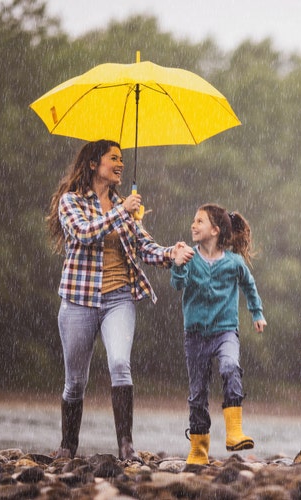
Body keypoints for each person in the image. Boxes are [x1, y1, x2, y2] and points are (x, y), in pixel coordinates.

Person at [46, 139, 194, 462]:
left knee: (120, 364)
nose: (120, 164)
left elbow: (144, 246)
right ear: (93, 164)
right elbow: (84, 234)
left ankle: (126, 445)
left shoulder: (125, 206)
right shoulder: (71, 202)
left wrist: (172, 253)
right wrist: (119, 212)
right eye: (114, 158)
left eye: (123, 159)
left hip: (119, 299)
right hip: (78, 301)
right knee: (75, 382)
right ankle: (68, 446)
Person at [170, 203, 267, 467]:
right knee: (197, 393)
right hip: (195, 335)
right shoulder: (189, 258)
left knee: (230, 367)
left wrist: (256, 313)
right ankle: (199, 449)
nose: (193, 225)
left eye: (199, 221)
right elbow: (177, 284)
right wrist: (177, 265)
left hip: (225, 331)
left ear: (215, 230)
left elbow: (249, 285)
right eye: (193, 220)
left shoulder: (234, 262)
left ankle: (234, 431)